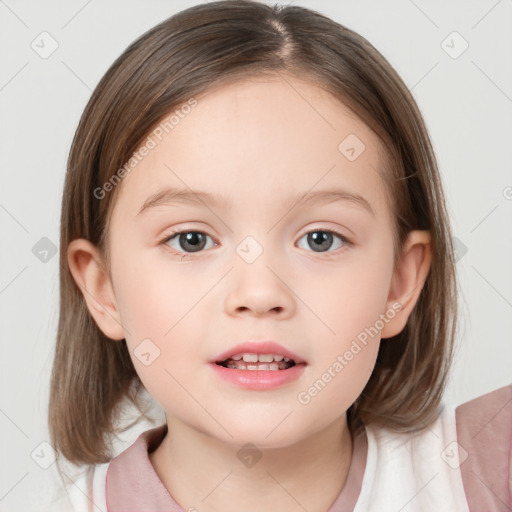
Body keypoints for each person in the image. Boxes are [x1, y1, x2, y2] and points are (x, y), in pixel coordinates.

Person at [47, 1, 511, 511]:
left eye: (321, 239)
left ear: (401, 283)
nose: (260, 293)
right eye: (191, 240)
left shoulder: (484, 472)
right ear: (103, 288)